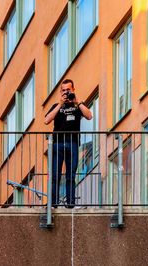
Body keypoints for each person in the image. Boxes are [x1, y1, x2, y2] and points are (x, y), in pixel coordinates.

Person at [44, 79, 92, 208]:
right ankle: (53, 203)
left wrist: (77, 102)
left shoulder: (77, 106)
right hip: (57, 144)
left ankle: (70, 203)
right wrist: (60, 104)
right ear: (60, 92)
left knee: (71, 174)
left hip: (73, 143)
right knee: (55, 174)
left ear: (73, 90)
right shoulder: (56, 106)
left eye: (68, 90)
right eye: (63, 90)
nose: (66, 92)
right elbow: (46, 120)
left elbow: (89, 116)